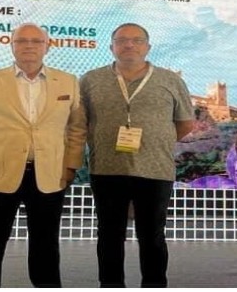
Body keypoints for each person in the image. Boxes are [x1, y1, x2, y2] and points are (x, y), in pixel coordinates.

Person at [0, 23, 87, 287]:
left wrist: (71, 166)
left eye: (36, 41)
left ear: (47, 46)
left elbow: (77, 129)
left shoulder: (68, 81)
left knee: (46, 245)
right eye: (22, 41)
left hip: (49, 175)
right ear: (12, 46)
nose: (29, 46)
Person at [80, 23, 195, 287]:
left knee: (152, 236)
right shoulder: (90, 80)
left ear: (148, 47)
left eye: (137, 40)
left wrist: (156, 141)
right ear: (111, 47)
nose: (129, 45)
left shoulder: (171, 80)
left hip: (155, 169)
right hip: (107, 169)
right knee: (109, 235)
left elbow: (185, 123)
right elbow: (79, 122)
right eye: (122, 40)